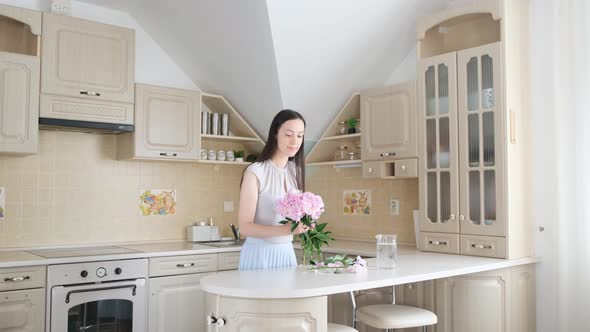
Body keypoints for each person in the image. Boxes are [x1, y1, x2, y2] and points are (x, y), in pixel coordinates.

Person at [238, 109, 309, 270]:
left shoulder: (295, 171)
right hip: (259, 254)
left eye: (299, 135)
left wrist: (306, 222)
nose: (295, 141)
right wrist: (286, 229)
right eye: (288, 134)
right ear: (275, 134)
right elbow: (245, 227)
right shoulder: (255, 172)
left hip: (286, 253)